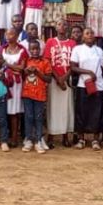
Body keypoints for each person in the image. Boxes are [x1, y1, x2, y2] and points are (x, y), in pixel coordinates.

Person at [70, 27, 103, 150]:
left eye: (92, 33)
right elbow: (73, 67)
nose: (90, 35)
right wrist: (89, 72)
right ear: (83, 36)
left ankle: (95, 139)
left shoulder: (99, 50)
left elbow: (102, 67)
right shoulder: (77, 49)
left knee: (97, 112)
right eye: (87, 33)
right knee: (82, 111)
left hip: (98, 85)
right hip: (83, 84)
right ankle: (81, 138)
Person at [44, 20, 76, 148]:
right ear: (56, 27)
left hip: (67, 80)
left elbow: (73, 63)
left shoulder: (72, 43)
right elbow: (47, 62)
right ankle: (51, 136)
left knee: (66, 108)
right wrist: (58, 79)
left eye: (64, 25)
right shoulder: (50, 42)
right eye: (59, 24)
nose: (62, 26)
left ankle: (65, 136)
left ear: (67, 28)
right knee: (53, 108)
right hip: (54, 79)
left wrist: (64, 78)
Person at [21, 40, 52, 153]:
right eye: (32, 49)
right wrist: (26, 71)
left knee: (38, 118)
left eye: (36, 49)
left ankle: (38, 140)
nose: (34, 51)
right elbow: (21, 75)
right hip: (27, 94)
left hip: (40, 94)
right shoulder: (26, 61)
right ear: (29, 50)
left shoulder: (45, 62)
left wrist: (38, 72)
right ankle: (29, 139)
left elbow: (49, 79)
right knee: (28, 117)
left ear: (40, 49)